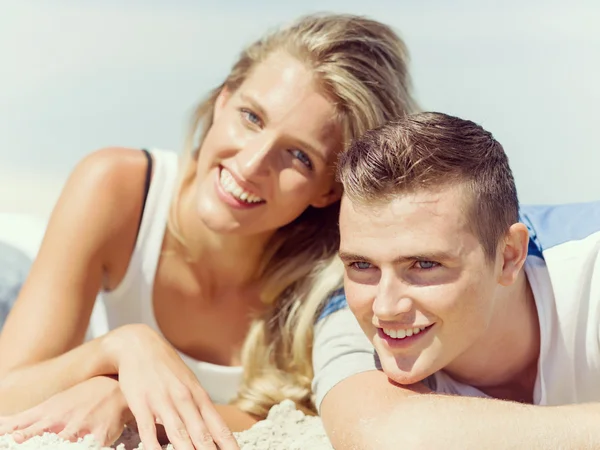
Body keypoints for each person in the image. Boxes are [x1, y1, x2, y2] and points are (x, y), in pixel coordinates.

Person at [0, 13, 418, 450]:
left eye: (298, 155)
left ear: (329, 190)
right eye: (252, 117)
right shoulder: (115, 187)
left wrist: (128, 397)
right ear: (222, 101)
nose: (252, 163)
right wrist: (121, 349)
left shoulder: (332, 280)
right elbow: (8, 391)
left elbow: (293, 414)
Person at [318, 111, 600, 448]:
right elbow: (386, 435)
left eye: (424, 264)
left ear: (509, 256)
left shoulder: (588, 265)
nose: (386, 307)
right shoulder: (346, 315)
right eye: (362, 264)